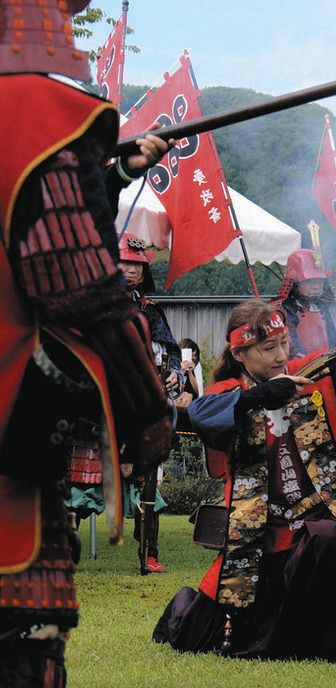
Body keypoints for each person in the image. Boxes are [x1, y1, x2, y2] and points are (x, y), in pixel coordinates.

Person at [1, 10, 173, 682]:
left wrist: (108, 176)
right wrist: (147, 408)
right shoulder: (31, 108)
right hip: (7, 428)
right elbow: (77, 282)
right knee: (25, 636)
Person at [152, 299, 336, 663]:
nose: (281, 356)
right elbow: (203, 415)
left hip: (315, 535)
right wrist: (259, 396)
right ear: (240, 354)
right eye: (268, 348)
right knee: (200, 634)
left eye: (283, 343)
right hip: (259, 544)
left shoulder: (313, 373)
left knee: (328, 537)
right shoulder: (229, 392)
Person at [116, 234, 180, 574]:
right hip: (104, 400)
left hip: (146, 401)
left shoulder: (151, 310)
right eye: (126, 263)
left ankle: (149, 554)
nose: (132, 270)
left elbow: (171, 351)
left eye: (138, 265)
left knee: (149, 478)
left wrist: (174, 374)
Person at [272, 248, 336, 359]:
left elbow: (332, 338)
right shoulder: (283, 310)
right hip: (298, 365)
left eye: (319, 281)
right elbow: (290, 346)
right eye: (309, 281)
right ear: (294, 282)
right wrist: (307, 361)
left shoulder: (321, 307)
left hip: (324, 362)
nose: (316, 287)